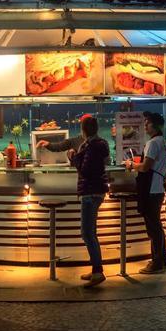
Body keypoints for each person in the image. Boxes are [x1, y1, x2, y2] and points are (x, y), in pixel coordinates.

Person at [125, 111, 166, 274]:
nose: (145, 125)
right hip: (158, 188)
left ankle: (156, 262)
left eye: (147, 123)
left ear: (154, 126)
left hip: (151, 189)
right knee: (157, 226)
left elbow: (145, 167)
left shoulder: (152, 143)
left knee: (153, 228)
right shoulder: (162, 141)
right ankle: (163, 259)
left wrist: (131, 165)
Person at [70, 116, 109, 287]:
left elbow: (85, 171)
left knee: (87, 233)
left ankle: (98, 272)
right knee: (91, 232)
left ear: (84, 130)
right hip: (97, 191)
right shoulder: (103, 143)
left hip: (90, 192)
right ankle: (95, 270)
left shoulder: (91, 146)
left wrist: (73, 157)